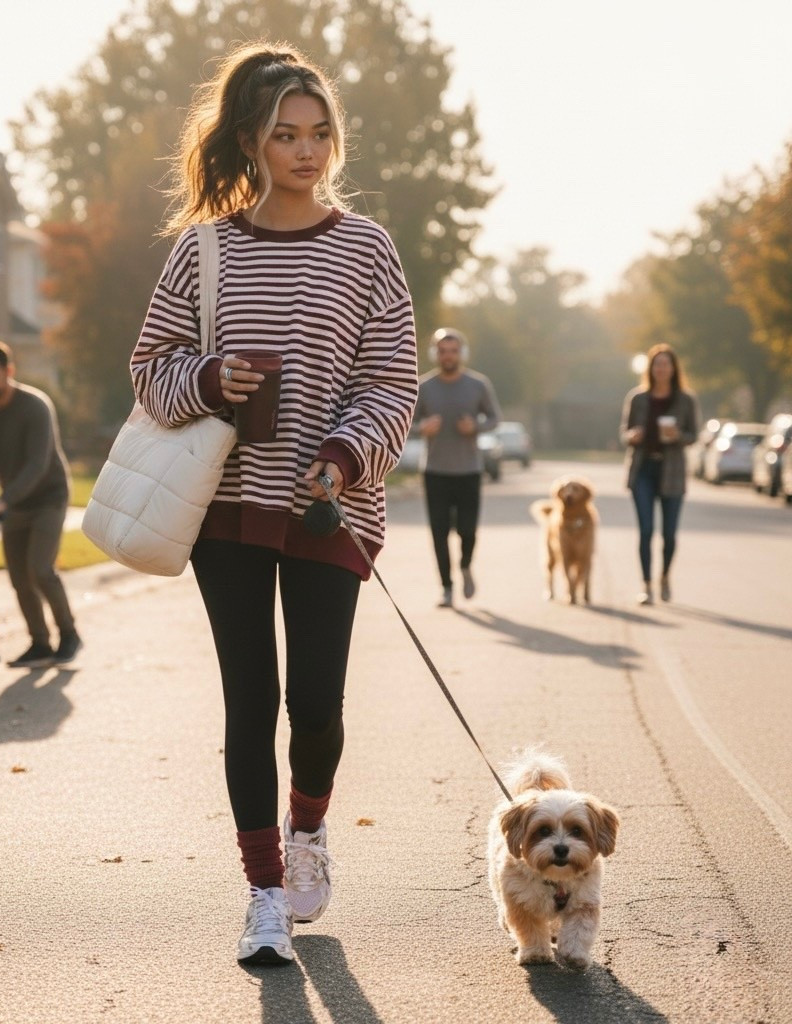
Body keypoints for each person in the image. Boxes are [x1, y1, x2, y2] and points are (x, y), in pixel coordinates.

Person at [130, 43, 418, 966]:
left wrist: (341, 457)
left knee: (319, 704)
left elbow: (392, 378)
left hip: (333, 508)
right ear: (252, 142)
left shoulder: (366, 248)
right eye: (286, 134)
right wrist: (211, 375)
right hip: (228, 512)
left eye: (320, 133)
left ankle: (310, 829)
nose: (306, 150)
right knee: (249, 701)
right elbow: (150, 370)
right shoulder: (203, 249)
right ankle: (260, 893)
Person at [0, 339, 82, 666]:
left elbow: (37, 464)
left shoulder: (35, 406)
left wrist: (2, 502)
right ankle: (40, 643)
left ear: (9, 372)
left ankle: (69, 634)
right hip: (13, 501)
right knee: (18, 578)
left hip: (49, 496)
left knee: (40, 569)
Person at [416, 328, 502, 608]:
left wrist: (475, 427)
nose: (448, 356)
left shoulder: (478, 385)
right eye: (442, 351)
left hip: (469, 470)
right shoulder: (424, 387)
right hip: (435, 471)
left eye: (453, 350)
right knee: (439, 531)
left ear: (461, 353)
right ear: (435, 354)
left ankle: (465, 565)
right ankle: (446, 587)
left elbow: (494, 418)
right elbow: (405, 422)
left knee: (468, 529)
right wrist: (422, 428)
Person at [620, 343, 699, 605]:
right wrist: (632, 436)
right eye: (657, 364)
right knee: (645, 530)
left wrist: (678, 435)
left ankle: (664, 575)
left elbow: (694, 435)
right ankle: (646, 585)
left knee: (669, 534)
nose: (661, 368)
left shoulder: (685, 400)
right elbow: (625, 432)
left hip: (672, 471)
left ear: (673, 368)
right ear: (650, 368)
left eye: (666, 364)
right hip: (643, 469)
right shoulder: (638, 398)